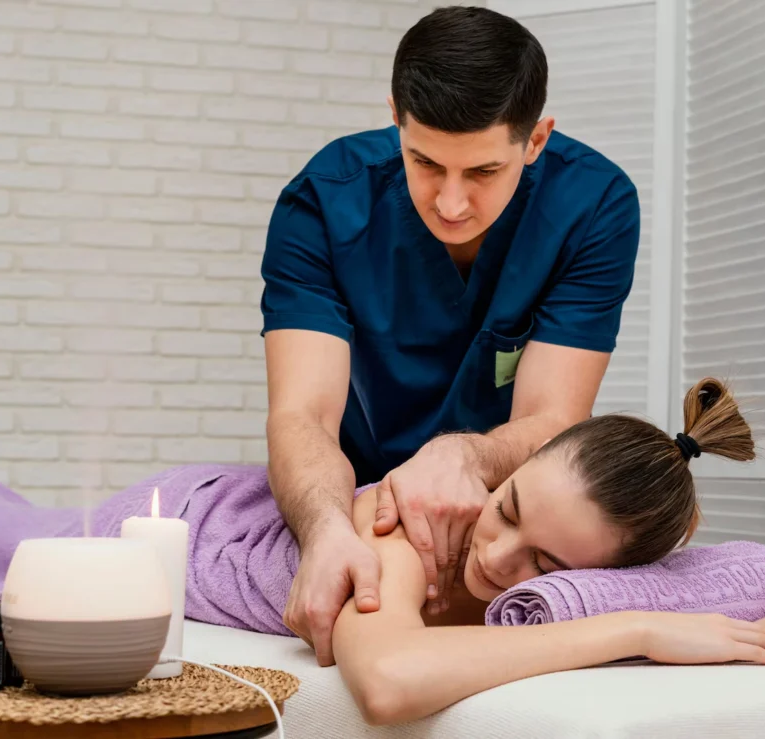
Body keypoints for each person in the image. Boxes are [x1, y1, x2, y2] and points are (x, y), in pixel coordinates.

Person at [0, 378, 765, 726]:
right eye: (511, 506)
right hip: (198, 519)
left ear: (611, 568)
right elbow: (390, 682)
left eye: (547, 566)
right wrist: (634, 630)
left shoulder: (621, 567)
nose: (496, 555)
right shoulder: (421, 523)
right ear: (511, 467)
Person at [261, 6, 643, 666]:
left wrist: (467, 456)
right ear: (396, 118)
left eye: (484, 173)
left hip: (502, 514)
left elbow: (552, 417)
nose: (451, 203)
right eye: (425, 162)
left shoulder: (593, 206)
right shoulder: (326, 199)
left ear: (536, 140)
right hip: (359, 501)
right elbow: (304, 415)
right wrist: (324, 530)